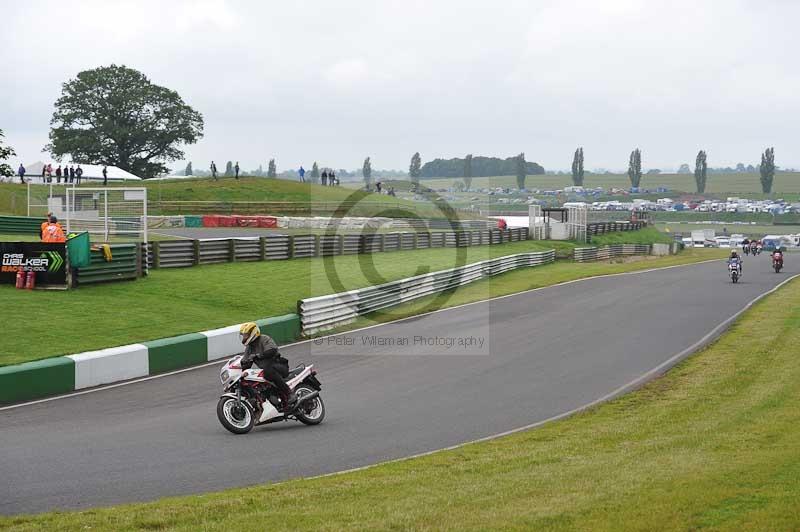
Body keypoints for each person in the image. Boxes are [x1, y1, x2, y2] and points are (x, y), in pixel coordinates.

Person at [238, 322, 296, 408]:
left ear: (252, 333)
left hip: (279, 365)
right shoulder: (249, 348)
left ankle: (289, 393)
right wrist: (239, 369)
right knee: (248, 378)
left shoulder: (264, 339)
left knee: (268, 371)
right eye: (243, 335)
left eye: (246, 335)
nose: (244, 337)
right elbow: (246, 363)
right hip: (267, 370)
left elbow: (272, 350)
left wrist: (258, 356)